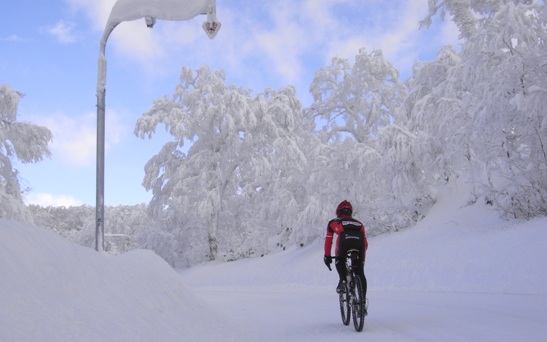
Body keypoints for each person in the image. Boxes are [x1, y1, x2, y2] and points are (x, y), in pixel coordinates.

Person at [323, 200, 368, 298]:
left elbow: (328, 240)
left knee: (340, 258)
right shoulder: (359, 224)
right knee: (360, 272)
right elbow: (366, 244)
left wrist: (327, 256)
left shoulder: (334, 222)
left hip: (344, 241)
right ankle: (362, 303)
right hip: (359, 244)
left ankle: (343, 280)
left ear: (338, 212)